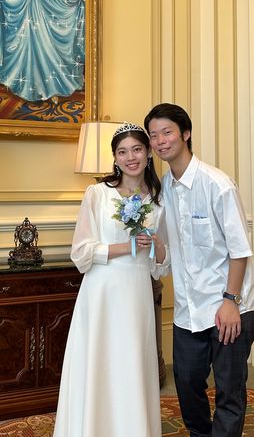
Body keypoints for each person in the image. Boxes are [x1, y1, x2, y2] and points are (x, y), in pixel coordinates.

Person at [144, 103, 254, 437]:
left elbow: (239, 251)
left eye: (167, 132)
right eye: (154, 136)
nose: (160, 141)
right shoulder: (163, 190)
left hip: (231, 303)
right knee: (186, 381)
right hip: (190, 307)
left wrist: (230, 301)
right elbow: (169, 251)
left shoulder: (217, 184)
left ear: (185, 133)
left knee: (229, 389)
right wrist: (152, 242)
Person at [53, 122, 170, 437]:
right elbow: (81, 253)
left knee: (132, 362)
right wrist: (126, 247)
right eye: (122, 152)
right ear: (115, 158)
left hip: (137, 291)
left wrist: (156, 245)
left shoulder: (159, 200)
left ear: (148, 153)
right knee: (101, 362)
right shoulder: (98, 194)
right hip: (102, 291)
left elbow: (161, 265)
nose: (130, 157)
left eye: (137, 149)